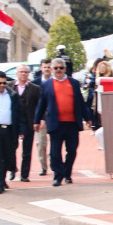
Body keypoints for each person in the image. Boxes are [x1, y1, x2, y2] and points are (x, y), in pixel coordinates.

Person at [33, 57, 90, 187]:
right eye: (56, 68)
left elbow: (81, 102)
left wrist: (88, 118)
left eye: (61, 68)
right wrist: (37, 120)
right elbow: (41, 105)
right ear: (52, 69)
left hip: (72, 123)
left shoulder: (74, 83)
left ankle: (67, 173)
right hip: (55, 123)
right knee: (55, 152)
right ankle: (58, 176)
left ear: (65, 69)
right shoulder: (46, 85)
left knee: (72, 150)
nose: (58, 70)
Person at [13, 64, 41, 182]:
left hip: (29, 122)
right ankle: (12, 169)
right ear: (17, 73)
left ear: (28, 74)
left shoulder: (35, 88)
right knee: (11, 149)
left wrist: (39, 120)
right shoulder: (9, 86)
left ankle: (24, 174)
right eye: (21, 72)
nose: (23, 74)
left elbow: (40, 106)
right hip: (14, 123)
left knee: (27, 151)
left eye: (25, 72)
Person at [30, 58, 53, 175]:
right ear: (41, 68)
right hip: (40, 119)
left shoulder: (56, 81)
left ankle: (54, 161)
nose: (47, 69)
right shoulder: (35, 83)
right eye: (45, 67)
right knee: (40, 144)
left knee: (55, 143)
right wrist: (38, 119)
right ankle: (44, 166)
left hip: (53, 117)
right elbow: (34, 103)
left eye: (49, 67)